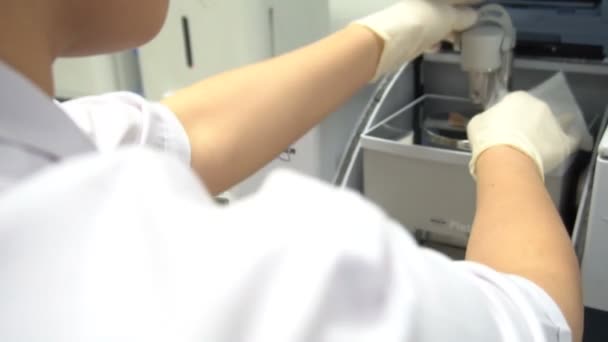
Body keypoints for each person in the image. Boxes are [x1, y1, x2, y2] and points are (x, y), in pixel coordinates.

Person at [0, 0, 584, 341]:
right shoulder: (250, 290)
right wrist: (511, 150)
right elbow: (535, 319)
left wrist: (390, 33)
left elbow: (182, 132)